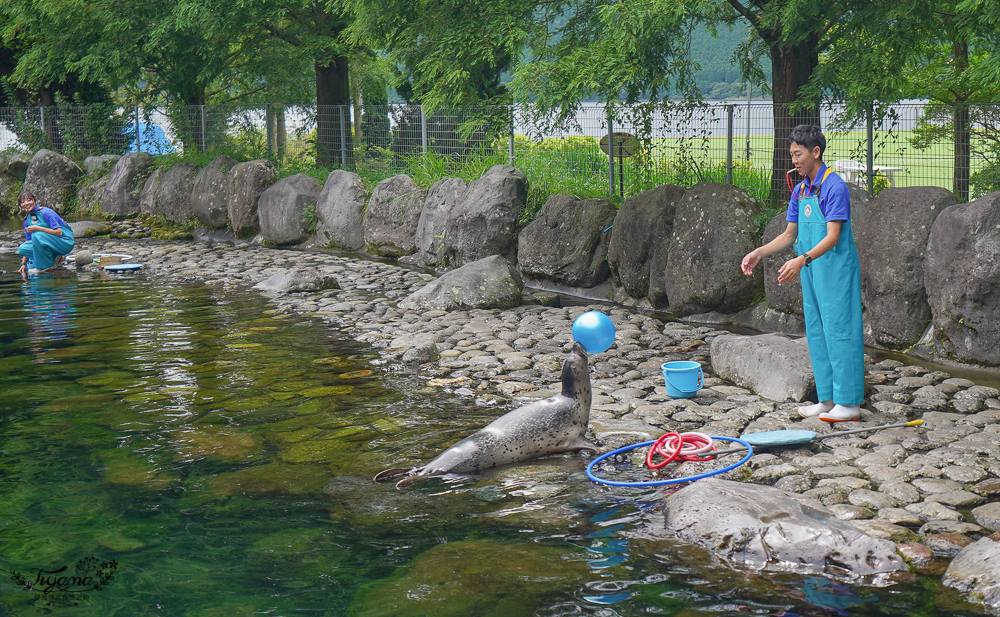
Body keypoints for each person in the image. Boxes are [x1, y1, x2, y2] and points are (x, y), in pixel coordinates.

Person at [740, 125, 864, 422]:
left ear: (815, 152)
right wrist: (758, 252)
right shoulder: (801, 189)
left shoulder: (834, 186)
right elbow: (788, 234)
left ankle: (849, 403)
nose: (794, 160)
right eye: (792, 154)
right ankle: (827, 399)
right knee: (818, 332)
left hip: (835, 270)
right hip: (812, 272)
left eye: (798, 154)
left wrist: (802, 259)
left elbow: (833, 236)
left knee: (840, 332)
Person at [16, 192, 75, 277]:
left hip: (64, 242)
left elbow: (59, 232)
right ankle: (53, 258)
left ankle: (46, 267)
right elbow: (29, 242)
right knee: (23, 248)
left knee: (37, 235)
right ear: (20, 205)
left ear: (34, 201)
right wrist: (23, 264)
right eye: (23, 202)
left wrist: (38, 228)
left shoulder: (46, 212)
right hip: (46, 243)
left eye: (29, 200)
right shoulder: (27, 220)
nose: (26, 203)